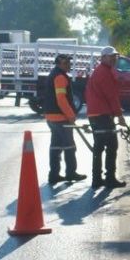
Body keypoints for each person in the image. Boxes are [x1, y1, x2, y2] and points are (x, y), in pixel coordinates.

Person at [85, 46, 128, 189]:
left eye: (115, 56)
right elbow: (111, 96)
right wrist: (120, 116)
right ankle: (110, 179)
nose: (114, 59)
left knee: (98, 147)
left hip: (94, 114)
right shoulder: (104, 73)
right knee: (111, 146)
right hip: (102, 115)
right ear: (103, 57)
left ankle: (97, 179)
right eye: (111, 56)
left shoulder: (99, 71)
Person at [43, 54, 86, 184]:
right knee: (69, 146)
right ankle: (71, 173)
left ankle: (54, 175)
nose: (68, 65)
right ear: (58, 64)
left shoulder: (53, 74)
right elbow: (61, 99)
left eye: (69, 62)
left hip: (51, 117)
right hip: (61, 118)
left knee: (55, 146)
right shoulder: (60, 77)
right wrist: (70, 115)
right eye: (65, 63)